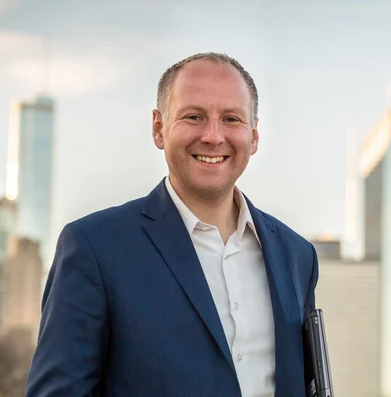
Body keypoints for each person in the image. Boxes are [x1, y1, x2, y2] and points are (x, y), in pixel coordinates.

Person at [25, 52, 319, 397]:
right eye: (193, 117)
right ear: (159, 128)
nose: (213, 136)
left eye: (231, 119)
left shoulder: (297, 255)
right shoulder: (94, 247)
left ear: (253, 137)